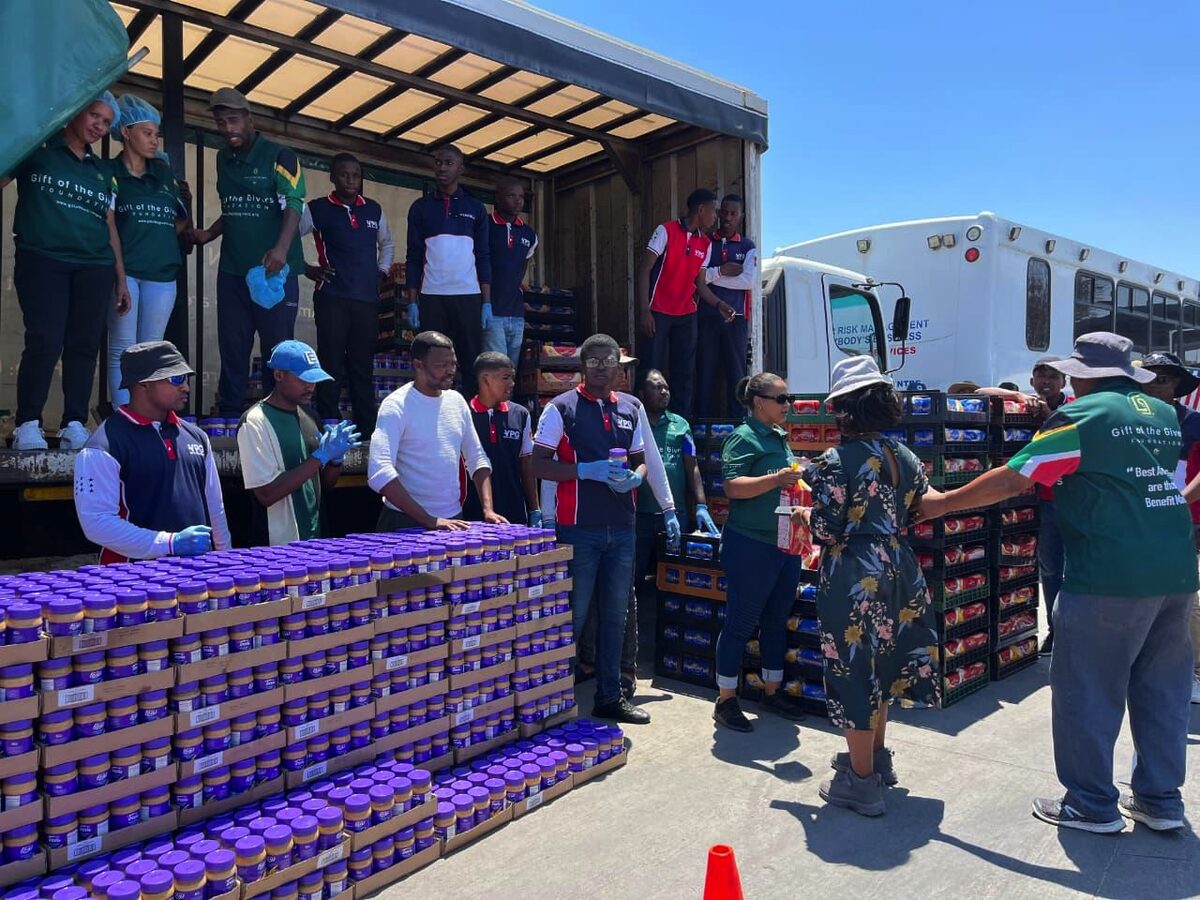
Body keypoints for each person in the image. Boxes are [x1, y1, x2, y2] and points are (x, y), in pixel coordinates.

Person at [922, 332, 1197, 833]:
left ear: (1083, 373)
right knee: (1162, 690)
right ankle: (1160, 801)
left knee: (1087, 690)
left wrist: (941, 502)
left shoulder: (1082, 416)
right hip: (1175, 567)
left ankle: (1091, 804)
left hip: (1109, 572)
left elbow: (1016, 476)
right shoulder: (1161, 413)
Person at [801, 357, 940, 816]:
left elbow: (825, 528)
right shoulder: (903, 457)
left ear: (844, 409)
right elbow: (918, 505)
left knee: (853, 669)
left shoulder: (834, 461)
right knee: (883, 664)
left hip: (854, 572)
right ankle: (875, 759)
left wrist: (804, 514)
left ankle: (860, 783)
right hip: (899, 565)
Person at [532, 334, 653, 725]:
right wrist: (584, 471)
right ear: (583, 366)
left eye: (610, 360)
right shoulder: (561, 408)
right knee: (573, 615)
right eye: (595, 361)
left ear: (620, 365)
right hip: (578, 529)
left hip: (622, 528)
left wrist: (637, 478)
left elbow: (641, 460)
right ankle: (552, 700)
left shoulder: (631, 408)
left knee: (616, 616)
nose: (603, 367)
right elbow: (538, 464)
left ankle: (609, 696)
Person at [3, 92, 131, 450]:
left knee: (84, 345)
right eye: (94, 116)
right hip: (42, 259)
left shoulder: (101, 172)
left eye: (106, 123)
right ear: (76, 113)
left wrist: (120, 278)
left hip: (95, 266)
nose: (99, 126)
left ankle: (74, 422)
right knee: (44, 340)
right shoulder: (36, 150)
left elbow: (110, 227)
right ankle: (28, 423)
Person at [579, 369, 715, 697]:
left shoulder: (680, 425)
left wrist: (699, 505)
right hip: (635, 517)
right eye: (657, 387)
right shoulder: (624, 416)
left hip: (673, 516)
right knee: (626, 590)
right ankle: (609, 662)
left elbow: (691, 466)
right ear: (643, 391)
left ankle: (664, 654)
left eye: (667, 387)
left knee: (676, 587)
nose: (664, 392)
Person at [189, 87, 306, 420]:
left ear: (249, 119)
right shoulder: (223, 157)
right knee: (233, 347)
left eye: (234, 120)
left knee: (278, 350)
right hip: (233, 271)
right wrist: (208, 234)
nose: (228, 129)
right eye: (221, 122)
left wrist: (281, 248)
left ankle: (278, 418)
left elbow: (293, 204)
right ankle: (229, 417)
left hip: (274, 273)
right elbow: (234, 206)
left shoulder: (281, 155)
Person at [711, 372, 811, 733]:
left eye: (789, 398)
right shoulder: (743, 438)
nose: (789, 405)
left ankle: (771, 691)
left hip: (784, 544)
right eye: (782, 398)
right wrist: (777, 479)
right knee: (740, 622)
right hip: (750, 544)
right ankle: (725, 699)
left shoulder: (778, 437)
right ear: (759, 402)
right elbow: (732, 487)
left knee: (775, 621)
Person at [73, 341, 230, 563]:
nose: (185, 387)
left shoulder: (198, 437)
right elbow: (96, 523)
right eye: (176, 379)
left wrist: (225, 559)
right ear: (143, 384)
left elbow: (216, 509)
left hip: (193, 579)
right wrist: (169, 543)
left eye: (186, 379)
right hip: (129, 585)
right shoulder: (103, 445)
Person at [368, 331, 504, 531]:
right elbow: (379, 472)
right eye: (441, 366)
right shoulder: (395, 405)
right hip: (405, 523)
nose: (450, 371)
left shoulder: (456, 401)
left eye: (453, 364)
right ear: (418, 365)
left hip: (453, 520)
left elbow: (477, 459)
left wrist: (488, 510)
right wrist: (428, 520)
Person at [107, 94, 191, 408]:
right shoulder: (110, 173)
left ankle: (147, 414)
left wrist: (161, 239)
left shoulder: (164, 176)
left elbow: (182, 219)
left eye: (156, 133)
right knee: (123, 349)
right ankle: (122, 417)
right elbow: (107, 224)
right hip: (125, 273)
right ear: (125, 132)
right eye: (147, 133)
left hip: (162, 275)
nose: (154, 140)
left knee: (152, 349)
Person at [300, 153, 394, 435]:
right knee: (330, 360)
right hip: (332, 296)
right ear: (332, 176)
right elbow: (289, 235)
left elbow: (387, 243)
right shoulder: (316, 209)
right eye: (344, 174)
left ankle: (367, 429)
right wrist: (306, 268)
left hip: (366, 300)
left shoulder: (374, 210)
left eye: (356, 175)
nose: (351, 180)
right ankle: (329, 422)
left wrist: (382, 271)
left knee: (361, 365)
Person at [237, 341, 360, 546]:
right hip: (277, 550)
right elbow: (266, 494)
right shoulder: (255, 421)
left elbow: (325, 486)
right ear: (278, 375)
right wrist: (319, 457)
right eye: (303, 379)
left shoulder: (310, 416)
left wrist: (335, 461)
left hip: (316, 542)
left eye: (314, 380)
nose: (310, 386)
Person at [404, 144, 490, 398]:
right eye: (438, 162)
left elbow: (483, 256)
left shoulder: (475, 208)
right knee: (433, 362)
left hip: (468, 296)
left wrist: (486, 302)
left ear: (461, 169)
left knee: (471, 361)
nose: (442, 167)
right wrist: (412, 301)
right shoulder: (420, 208)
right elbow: (414, 256)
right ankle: (432, 416)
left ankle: (474, 419)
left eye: (448, 163)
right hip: (432, 296)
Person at [1141, 351, 1200, 705]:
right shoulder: (1131, 419)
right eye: (1150, 376)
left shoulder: (1193, 422)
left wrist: (1181, 501)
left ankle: (1194, 672)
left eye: (1163, 378)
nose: (1156, 383)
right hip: (1141, 521)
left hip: (1185, 519)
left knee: (1186, 598)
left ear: (1177, 384)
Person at [637, 188, 726, 418]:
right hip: (657, 311)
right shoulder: (665, 230)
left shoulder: (705, 244)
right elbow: (644, 269)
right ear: (701, 209)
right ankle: (646, 424)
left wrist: (718, 304)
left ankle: (680, 426)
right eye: (713, 211)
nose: (716, 217)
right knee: (651, 370)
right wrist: (644, 310)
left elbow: (701, 284)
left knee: (684, 374)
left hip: (686, 315)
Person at [462, 352, 539, 526]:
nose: (512, 384)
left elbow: (526, 463)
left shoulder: (520, 414)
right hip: (470, 514)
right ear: (485, 379)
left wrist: (534, 508)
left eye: (512, 378)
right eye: (505, 378)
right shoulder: (463, 413)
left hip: (514, 513)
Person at [697, 194, 757, 418]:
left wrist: (709, 276)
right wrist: (721, 270)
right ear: (719, 213)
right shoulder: (705, 241)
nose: (728, 217)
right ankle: (702, 428)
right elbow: (697, 279)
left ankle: (738, 425)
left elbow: (748, 281)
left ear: (741, 216)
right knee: (706, 372)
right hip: (707, 316)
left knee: (736, 374)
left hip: (737, 318)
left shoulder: (747, 245)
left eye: (734, 213)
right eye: (724, 212)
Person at [1028, 355, 1071, 655]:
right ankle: (1054, 631)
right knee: (1050, 570)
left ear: (1064, 382)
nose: (1045, 382)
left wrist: (1047, 416)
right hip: (1044, 503)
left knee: (1072, 571)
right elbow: (981, 393)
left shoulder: (1072, 410)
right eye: (1040, 376)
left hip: (1072, 503)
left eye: (1052, 376)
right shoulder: (1027, 406)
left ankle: (1071, 633)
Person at [483, 176, 537, 367]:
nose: (518, 201)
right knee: (497, 367)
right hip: (492, 311)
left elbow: (523, 264)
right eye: (511, 195)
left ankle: (506, 399)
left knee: (510, 370)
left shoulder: (529, 234)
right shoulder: (484, 226)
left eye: (521, 196)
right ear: (497, 198)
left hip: (516, 313)